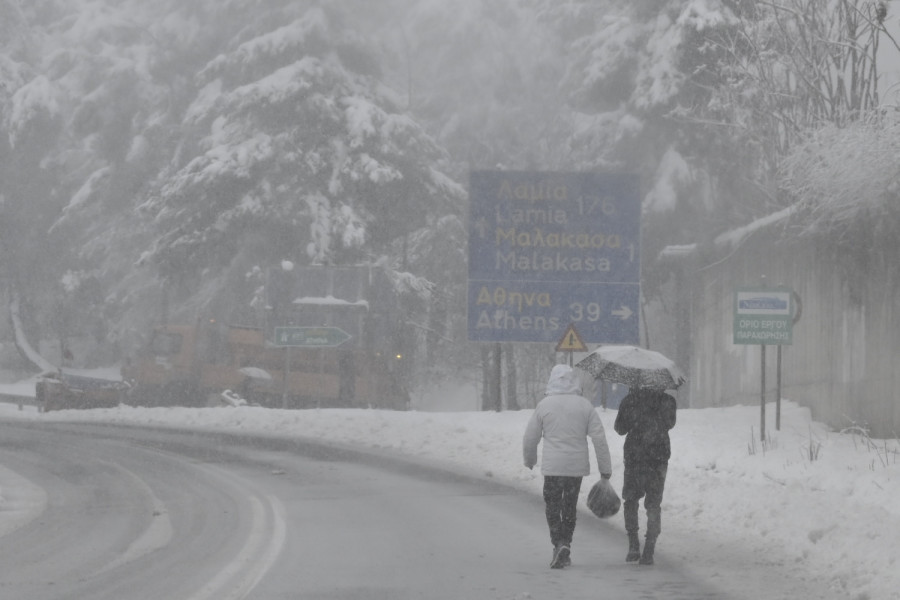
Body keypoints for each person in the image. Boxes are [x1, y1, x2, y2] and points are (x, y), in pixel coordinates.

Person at [523, 364, 613, 569]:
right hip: (575, 467)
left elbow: (530, 437)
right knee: (569, 506)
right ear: (575, 382)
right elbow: (599, 438)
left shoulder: (545, 405)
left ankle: (558, 543)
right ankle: (566, 543)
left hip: (553, 467)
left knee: (553, 505)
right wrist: (605, 468)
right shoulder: (585, 406)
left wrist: (530, 460)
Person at [613, 384, 677, 565]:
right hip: (658, 458)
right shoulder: (668, 401)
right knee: (654, 504)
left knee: (631, 500)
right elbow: (670, 423)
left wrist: (634, 414)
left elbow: (619, 428)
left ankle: (633, 544)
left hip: (635, 457)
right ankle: (649, 548)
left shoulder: (630, 400)